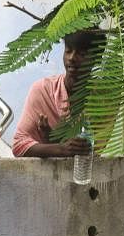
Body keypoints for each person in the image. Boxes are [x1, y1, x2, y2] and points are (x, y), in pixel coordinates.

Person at [11, 30, 104, 158]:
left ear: (97, 58)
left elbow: (95, 153)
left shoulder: (103, 98)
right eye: (68, 51)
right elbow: (19, 146)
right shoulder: (42, 90)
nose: (72, 58)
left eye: (81, 54)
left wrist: (52, 140)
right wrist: (60, 149)